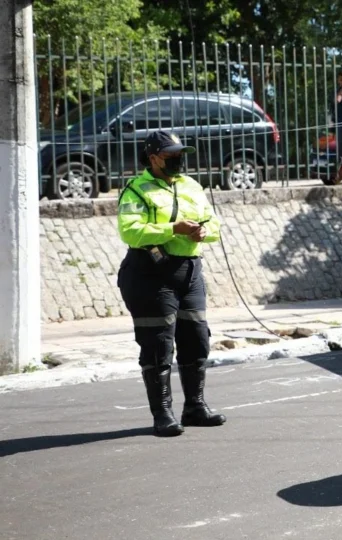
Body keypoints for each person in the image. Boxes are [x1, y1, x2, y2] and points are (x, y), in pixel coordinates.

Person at [116, 130, 226, 437]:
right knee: (158, 344)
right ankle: (162, 414)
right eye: (170, 155)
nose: (178, 160)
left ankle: (195, 407)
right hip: (150, 274)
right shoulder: (136, 191)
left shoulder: (191, 186)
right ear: (153, 158)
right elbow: (131, 231)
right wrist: (171, 228)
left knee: (197, 337)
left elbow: (212, 222)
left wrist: (205, 232)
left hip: (189, 272)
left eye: (180, 154)